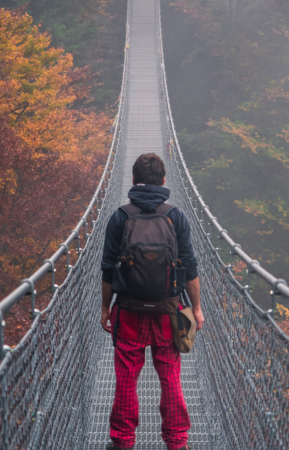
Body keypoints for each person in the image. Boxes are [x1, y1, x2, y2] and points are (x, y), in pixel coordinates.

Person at [100, 153, 204, 450]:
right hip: (168, 312)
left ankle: (122, 442)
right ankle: (177, 443)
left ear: (133, 181)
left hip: (129, 311)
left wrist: (106, 308)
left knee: (125, 378)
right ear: (164, 181)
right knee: (170, 376)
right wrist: (195, 308)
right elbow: (191, 268)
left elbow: (108, 267)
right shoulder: (176, 216)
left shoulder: (120, 216)